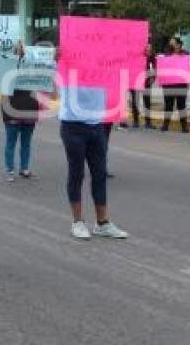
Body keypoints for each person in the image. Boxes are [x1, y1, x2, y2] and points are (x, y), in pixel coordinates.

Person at [58, 52, 128, 240]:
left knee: (100, 173)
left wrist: (142, 53)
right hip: (72, 124)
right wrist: (26, 53)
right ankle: (77, 222)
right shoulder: (64, 60)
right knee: (77, 173)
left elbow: (128, 64)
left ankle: (102, 223)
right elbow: (38, 64)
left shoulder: (104, 61)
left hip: (97, 124)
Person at [1, 43, 42, 180]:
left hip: (29, 108)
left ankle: (24, 168)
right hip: (12, 110)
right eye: (17, 49)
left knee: (26, 142)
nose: (20, 51)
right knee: (11, 142)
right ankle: (9, 170)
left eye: (22, 49)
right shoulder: (6, 68)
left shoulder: (33, 66)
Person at [160, 37, 190, 133]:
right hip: (168, 83)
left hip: (181, 83)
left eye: (172, 43)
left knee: (181, 105)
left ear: (178, 45)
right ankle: (165, 125)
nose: (171, 44)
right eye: (170, 43)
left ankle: (184, 126)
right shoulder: (166, 53)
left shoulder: (185, 54)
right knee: (168, 104)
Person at [130, 43, 156, 129]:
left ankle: (148, 122)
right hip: (134, 79)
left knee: (147, 101)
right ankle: (136, 121)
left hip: (146, 80)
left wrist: (153, 77)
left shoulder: (149, 53)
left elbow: (155, 65)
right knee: (135, 101)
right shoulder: (132, 52)